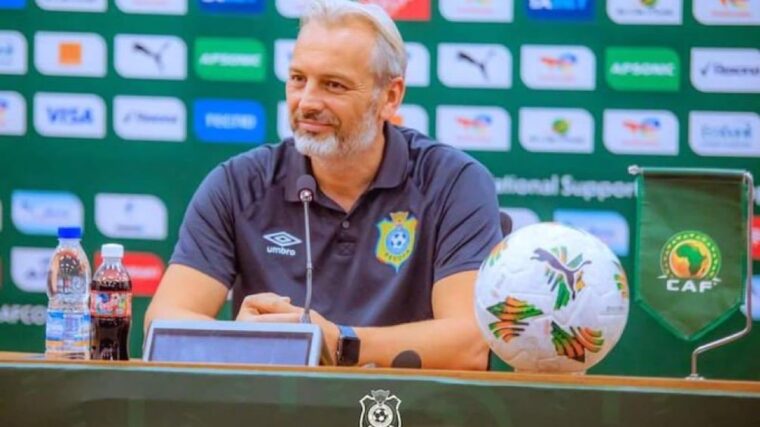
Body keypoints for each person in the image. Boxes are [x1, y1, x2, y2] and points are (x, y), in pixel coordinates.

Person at [145, 0, 502, 370]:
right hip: (278, 401)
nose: (308, 102)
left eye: (334, 85)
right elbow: (162, 323)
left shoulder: (453, 182)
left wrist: (335, 341)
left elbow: (469, 344)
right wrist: (245, 339)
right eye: (298, 79)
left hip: (401, 403)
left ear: (390, 97)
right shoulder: (238, 184)